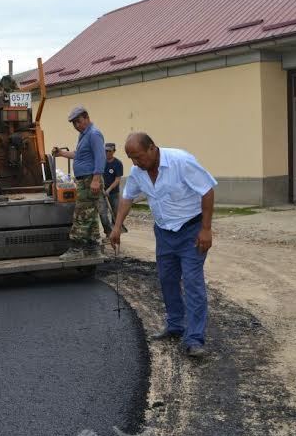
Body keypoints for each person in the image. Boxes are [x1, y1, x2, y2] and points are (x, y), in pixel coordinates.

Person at [109, 132, 216, 358]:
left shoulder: (181, 161)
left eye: (138, 157)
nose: (135, 163)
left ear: (152, 148)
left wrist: (206, 229)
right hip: (164, 233)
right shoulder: (138, 172)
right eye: (131, 158)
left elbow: (207, 190)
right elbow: (127, 197)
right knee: (167, 279)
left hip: (191, 231)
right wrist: (117, 227)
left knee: (192, 282)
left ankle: (194, 339)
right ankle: (175, 326)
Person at [51, 105, 105, 259]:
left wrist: (96, 180)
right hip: (85, 180)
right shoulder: (84, 135)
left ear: (87, 118)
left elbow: (100, 157)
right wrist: (61, 153)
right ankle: (93, 248)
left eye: (78, 121)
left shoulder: (94, 134)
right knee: (90, 215)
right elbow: (79, 155)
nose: (76, 125)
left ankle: (76, 249)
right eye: (74, 123)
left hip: (90, 180)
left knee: (81, 214)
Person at [102, 143, 127, 235]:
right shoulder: (101, 162)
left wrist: (108, 190)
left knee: (116, 214)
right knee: (103, 215)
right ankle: (108, 233)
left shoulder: (118, 163)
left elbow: (117, 180)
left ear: (114, 151)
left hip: (113, 193)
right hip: (102, 193)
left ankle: (116, 232)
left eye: (109, 151)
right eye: (105, 151)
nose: (107, 153)